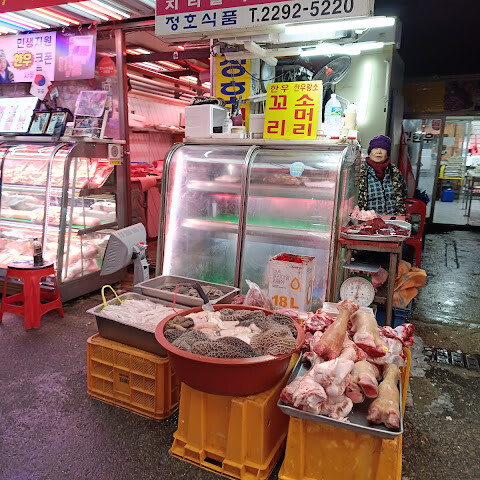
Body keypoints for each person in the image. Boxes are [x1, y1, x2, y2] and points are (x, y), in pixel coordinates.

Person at [358, 135, 407, 215]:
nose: (379, 152)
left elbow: (403, 193)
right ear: (369, 152)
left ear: (387, 153)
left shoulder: (394, 172)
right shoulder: (360, 172)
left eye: (383, 148)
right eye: (375, 148)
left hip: (393, 219)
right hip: (367, 220)